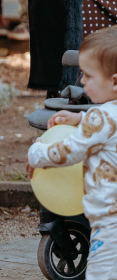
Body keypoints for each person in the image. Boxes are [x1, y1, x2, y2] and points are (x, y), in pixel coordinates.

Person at [28, 26, 117, 280]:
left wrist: (37, 154)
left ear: (114, 81)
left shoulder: (100, 118)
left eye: (88, 75)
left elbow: (70, 151)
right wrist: (81, 118)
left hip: (108, 221)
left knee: (100, 273)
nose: (81, 81)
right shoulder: (103, 117)